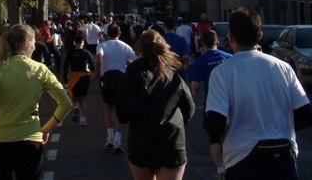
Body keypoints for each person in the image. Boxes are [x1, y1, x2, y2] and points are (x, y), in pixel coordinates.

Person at [206, 7, 312, 179]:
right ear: (260, 36)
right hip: (283, 154)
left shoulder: (222, 72)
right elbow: (305, 113)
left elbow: (215, 123)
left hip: (242, 157)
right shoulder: (283, 68)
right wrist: (279, 127)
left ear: (230, 37)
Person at [0, 24, 72, 180]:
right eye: (34, 42)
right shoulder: (40, 69)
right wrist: (45, 130)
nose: (35, 47)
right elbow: (65, 103)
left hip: (0, 142)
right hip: (30, 140)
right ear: (26, 43)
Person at [115, 29, 195, 180]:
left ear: (139, 49)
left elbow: (123, 114)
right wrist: (176, 123)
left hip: (142, 142)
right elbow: (189, 108)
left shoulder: (132, 73)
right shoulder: (172, 72)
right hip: (172, 142)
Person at [93, 22, 137, 153]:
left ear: (107, 34)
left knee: (108, 107)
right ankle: (118, 140)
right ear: (119, 34)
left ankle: (110, 137)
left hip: (107, 78)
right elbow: (134, 61)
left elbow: (99, 57)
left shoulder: (102, 45)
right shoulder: (125, 46)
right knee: (119, 108)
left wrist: (97, 72)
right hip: (121, 79)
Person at [189, 29, 231, 127]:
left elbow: (195, 85)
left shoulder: (199, 62)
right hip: (230, 100)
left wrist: (195, 92)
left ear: (203, 43)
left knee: (214, 136)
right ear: (217, 42)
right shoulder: (229, 57)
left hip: (211, 102)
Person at [63, 32, 94, 126]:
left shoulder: (70, 53)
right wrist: (93, 74)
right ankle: (83, 119)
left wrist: (65, 78)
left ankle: (75, 107)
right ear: (83, 43)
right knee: (83, 98)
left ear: (74, 43)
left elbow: (65, 66)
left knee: (74, 96)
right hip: (84, 76)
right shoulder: (86, 53)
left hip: (73, 76)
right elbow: (92, 65)